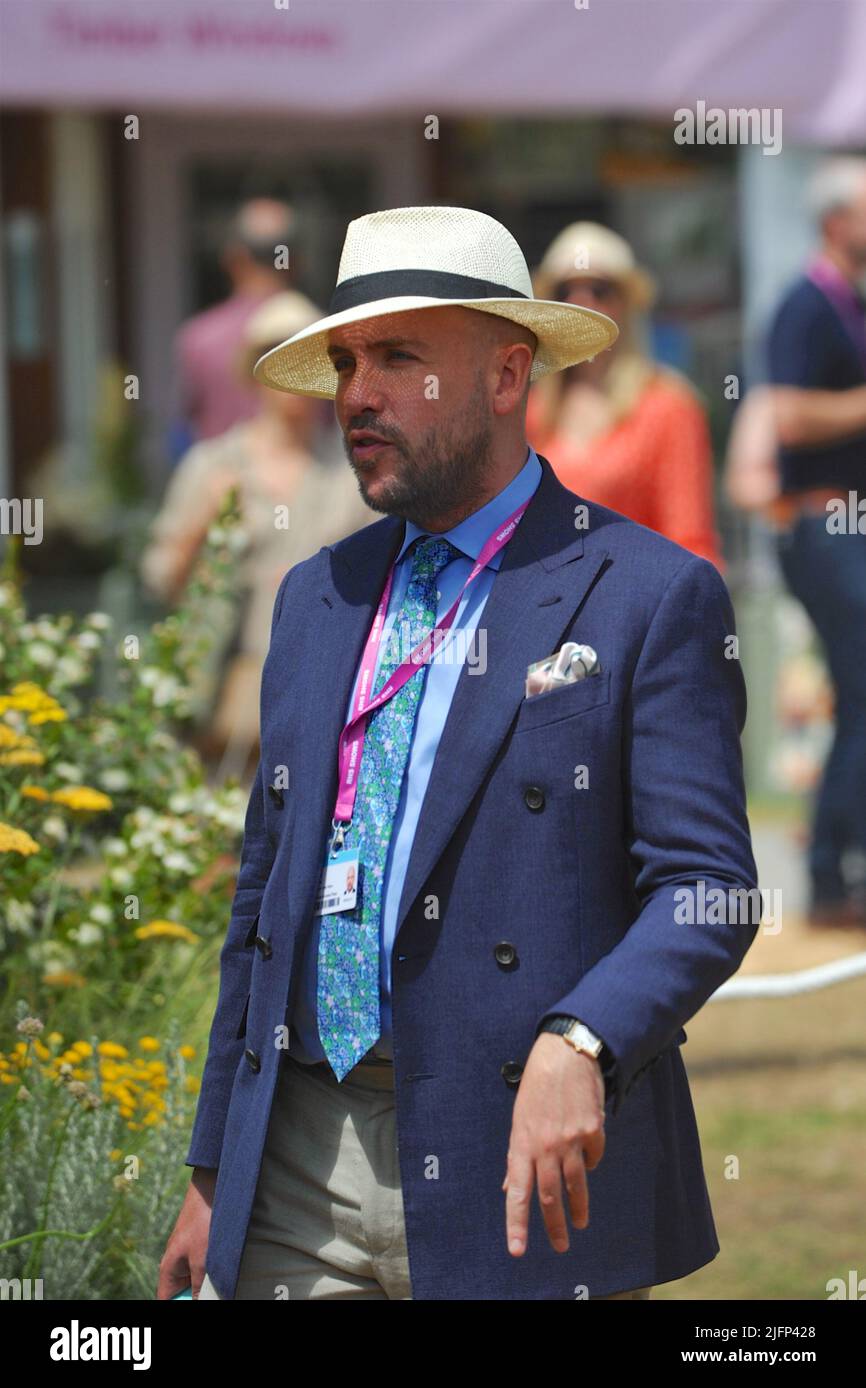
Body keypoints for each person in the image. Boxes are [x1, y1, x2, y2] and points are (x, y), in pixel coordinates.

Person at [158, 205, 760, 1302]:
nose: (354, 394)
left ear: (504, 374)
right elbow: (264, 898)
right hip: (298, 1157)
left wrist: (583, 1037)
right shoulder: (314, 597)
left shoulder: (645, 594)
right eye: (344, 360)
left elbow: (706, 887)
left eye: (397, 357)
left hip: (522, 1176)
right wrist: (215, 1168)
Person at [141, 291, 378, 775]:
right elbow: (161, 580)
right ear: (259, 371)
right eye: (280, 359)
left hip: (329, 692)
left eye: (307, 359)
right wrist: (203, 523)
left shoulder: (355, 464)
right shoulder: (213, 464)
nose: (292, 379)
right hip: (227, 701)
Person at [763, 156, 866, 928]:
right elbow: (788, 417)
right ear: (837, 221)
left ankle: (840, 870)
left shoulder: (848, 306)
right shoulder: (805, 306)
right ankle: (830, 875)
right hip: (823, 527)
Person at [527, 221, 724, 571]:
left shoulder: (669, 406)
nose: (581, 301)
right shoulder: (532, 409)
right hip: (546, 607)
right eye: (565, 290)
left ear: (626, 305)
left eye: (599, 290)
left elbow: (691, 538)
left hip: (635, 603)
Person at [173, 198, 298, 446]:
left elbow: (180, 435)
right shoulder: (319, 333)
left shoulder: (199, 339)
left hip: (221, 483)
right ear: (294, 260)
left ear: (235, 259)